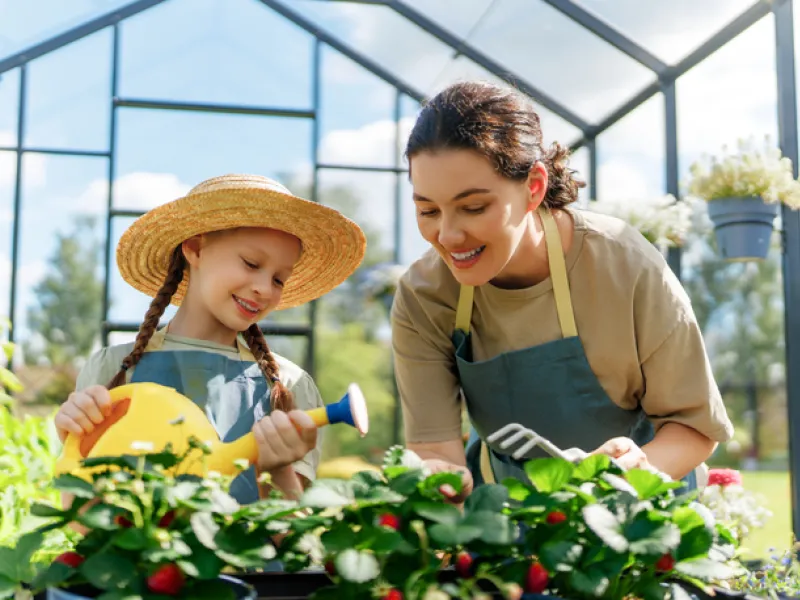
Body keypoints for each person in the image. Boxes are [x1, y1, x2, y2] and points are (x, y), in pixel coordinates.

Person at [390, 81, 734, 497]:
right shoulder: (424, 295)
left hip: (641, 508)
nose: (447, 235)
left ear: (533, 187)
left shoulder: (624, 265)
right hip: (507, 515)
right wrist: (438, 481)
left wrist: (626, 479)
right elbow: (432, 447)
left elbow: (694, 427)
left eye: (474, 207)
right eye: (427, 210)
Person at [54, 174, 366, 504]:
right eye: (251, 263)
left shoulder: (288, 385)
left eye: (279, 279)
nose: (264, 288)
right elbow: (80, 516)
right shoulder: (111, 369)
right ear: (195, 248)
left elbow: (291, 535)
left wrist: (277, 470)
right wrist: (72, 439)